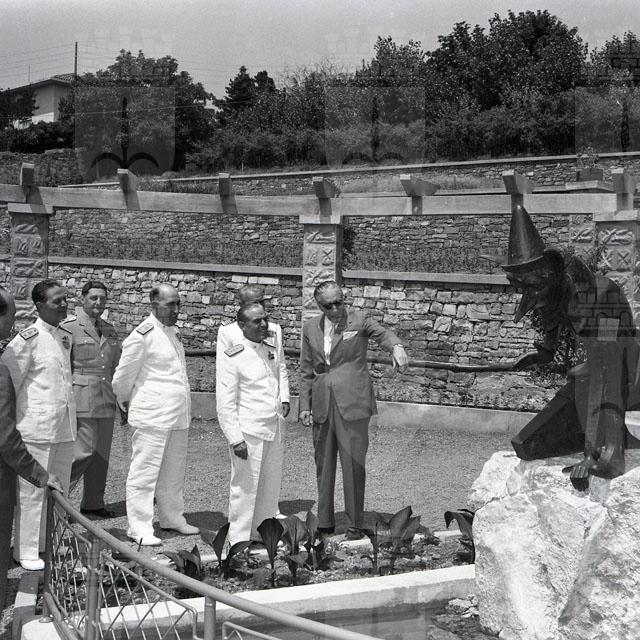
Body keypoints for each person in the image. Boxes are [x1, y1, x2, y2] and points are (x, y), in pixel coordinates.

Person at [488, 204, 640, 491]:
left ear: (553, 272)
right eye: (523, 287)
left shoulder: (601, 296)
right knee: (529, 443)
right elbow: (553, 328)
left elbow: (607, 368)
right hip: (600, 360)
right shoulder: (556, 293)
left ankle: (611, 456)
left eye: (533, 286)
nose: (529, 294)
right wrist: (542, 354)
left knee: (595, 375)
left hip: (624, 360)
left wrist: (591, 454)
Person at [299, 280, 408, 539]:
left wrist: (397, 346)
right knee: (323, 465)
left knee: (353, 464)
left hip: (353, 402)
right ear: (319, 305)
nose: (335, 309)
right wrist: (304, 405)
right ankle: (325, 521)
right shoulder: (310, 327)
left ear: (344, 298)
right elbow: (306, 369)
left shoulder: (359, 320)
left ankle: (354, 523)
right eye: (328, 305)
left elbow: (383, 334)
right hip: (322, 403)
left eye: (339, 302)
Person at [112, 283, 198, 546]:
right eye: (170, 304)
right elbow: (122, 378)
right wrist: (125, 403)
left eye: (178, 303)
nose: (176, 309)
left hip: (177, 416)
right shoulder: (142, 335)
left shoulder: (173, 332)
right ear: (154, 305)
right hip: (152, 416)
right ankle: (138, 526)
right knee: (144, 472)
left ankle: (172, 518)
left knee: (173, 472)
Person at [1, 280, 75, 570]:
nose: (64, 305)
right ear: (40, 306)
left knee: (58, 491)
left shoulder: (64, 336)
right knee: (32, 494)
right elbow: (10, 384)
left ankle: (49, 543)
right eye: (57, 301)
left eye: (65, 299)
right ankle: (27, 550)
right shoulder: (27, 340)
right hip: (36, 429)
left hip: (63, 428)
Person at [216, 302, 290, 544]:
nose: (264, 325)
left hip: (273, 427)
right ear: (241, 325)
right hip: (248, 431)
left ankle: (263, 533)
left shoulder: (270, 349)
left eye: (265, 319)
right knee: (245, 489)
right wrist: (235, 438)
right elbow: (225, 402)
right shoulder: (233, 356)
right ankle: (238, 540)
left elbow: (277, 380)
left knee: (269, 487)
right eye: (257, 321)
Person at [64, 281, 121, 518]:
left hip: (106, 396)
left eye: (102, 298)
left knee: (100, 454)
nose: (99, 302)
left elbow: (115, 366)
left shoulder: (109, 330)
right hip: (81, 396)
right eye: (94, 298)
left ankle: (93, 502)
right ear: (83, 299)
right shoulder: (69, 328)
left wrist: (122, 399)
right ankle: (57, 501)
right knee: (83, 452)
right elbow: (63, 365)